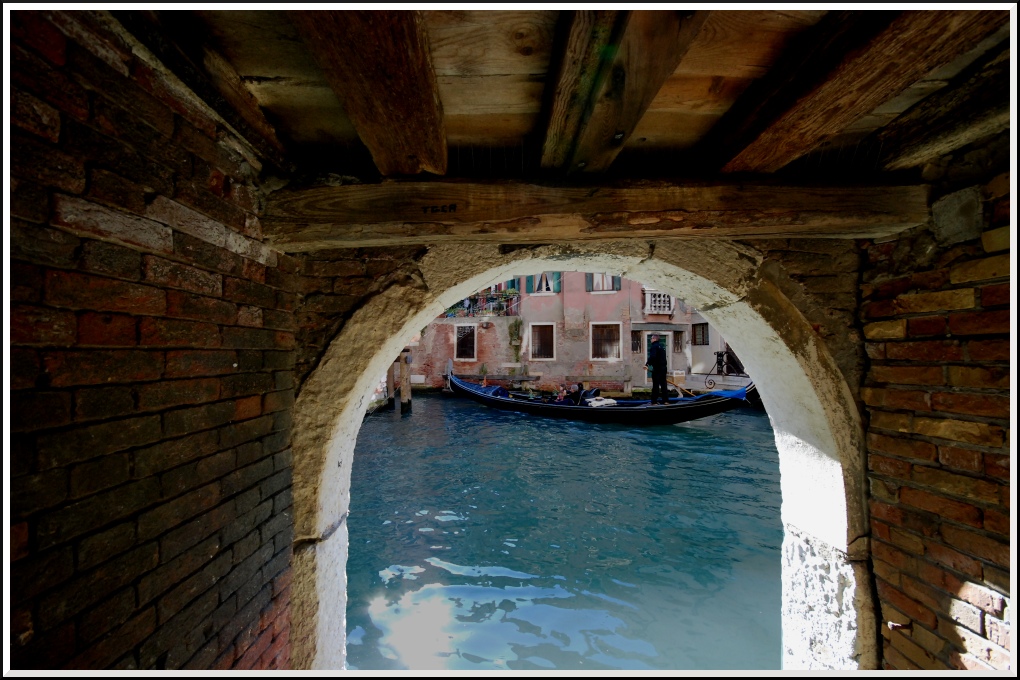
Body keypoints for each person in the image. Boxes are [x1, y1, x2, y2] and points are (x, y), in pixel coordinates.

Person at [645, 333, 669, 405]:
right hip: (663, 368)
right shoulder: (661, 346)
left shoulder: (654, 347)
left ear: (654, 339)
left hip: (657, 369)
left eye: (651, 338)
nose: (650, 340)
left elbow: (653, 356)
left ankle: (654, 402)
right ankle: (666, 401)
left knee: (656, 385)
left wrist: (647, 364)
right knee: (664, 385)